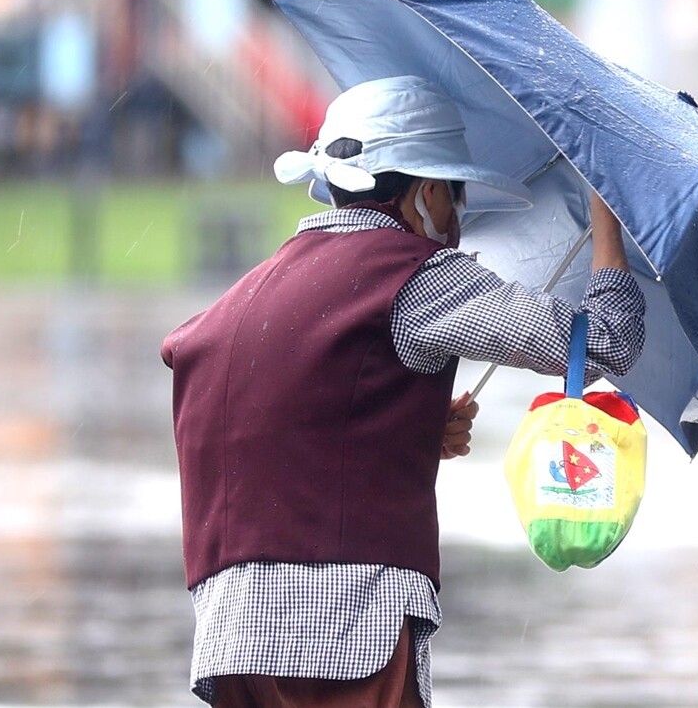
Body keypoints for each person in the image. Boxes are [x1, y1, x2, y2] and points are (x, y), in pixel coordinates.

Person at [160, 76, 644, 708]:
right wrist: (608, 219)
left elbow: (256, 416)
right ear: (427, 192)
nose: (459, 215)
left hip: (231, 634)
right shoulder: (416, 279)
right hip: (345, 625)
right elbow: (605, 340)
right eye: (457, 195)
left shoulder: (252, 292)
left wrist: (397, 424)